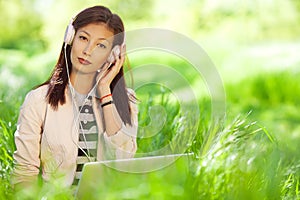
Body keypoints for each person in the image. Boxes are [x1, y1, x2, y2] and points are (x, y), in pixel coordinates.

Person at [11, 5, 138, 188]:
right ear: (70, 38)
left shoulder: (127, 101)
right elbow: (24, 174)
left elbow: (122, 163)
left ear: (113, 54)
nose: (87, 50)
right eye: (83, 38)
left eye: (100, 45)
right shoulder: (38, 100)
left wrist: (105, 91)